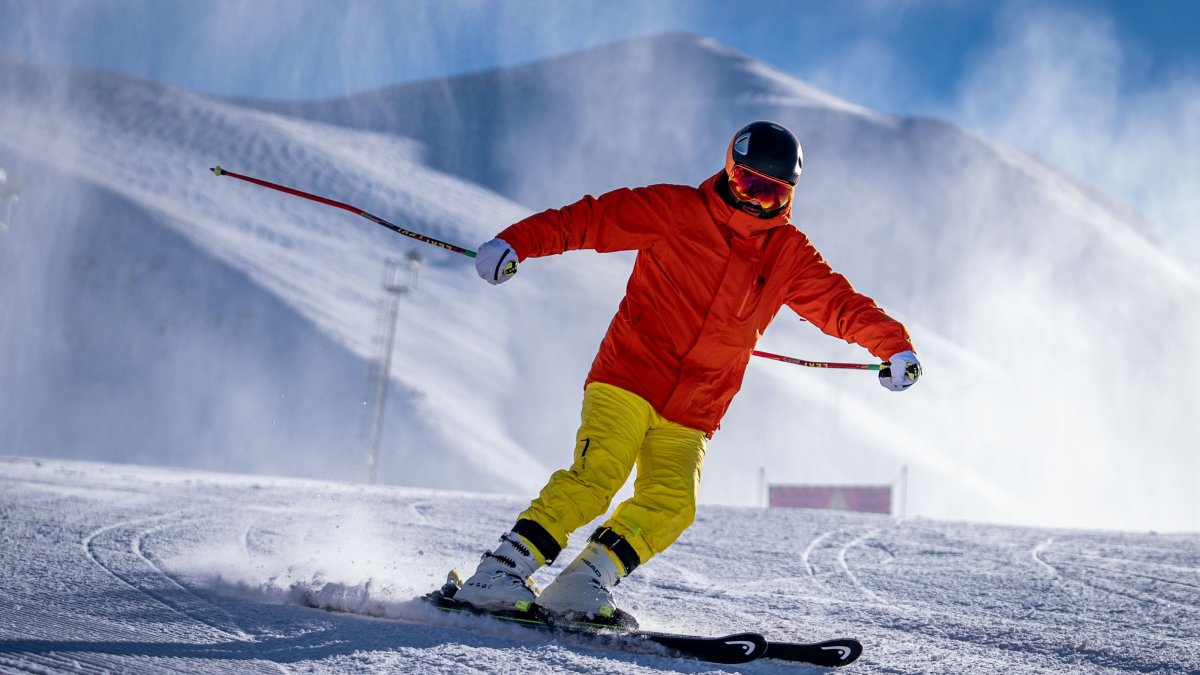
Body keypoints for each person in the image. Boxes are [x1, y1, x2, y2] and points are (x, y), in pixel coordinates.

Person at [453, 121, 920, 623]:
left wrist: (893, 347)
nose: (754, 201)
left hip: (696, 409)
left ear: (788, 195)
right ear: (728, 169)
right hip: (629, 375)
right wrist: (515, 243)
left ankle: (580, 584)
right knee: (597, 478)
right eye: (746, 184)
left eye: (770, 193)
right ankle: (497, 573)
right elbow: (588, 220)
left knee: (672, 503)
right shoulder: (675, 210)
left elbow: (839, 304)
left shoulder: (788, 253)